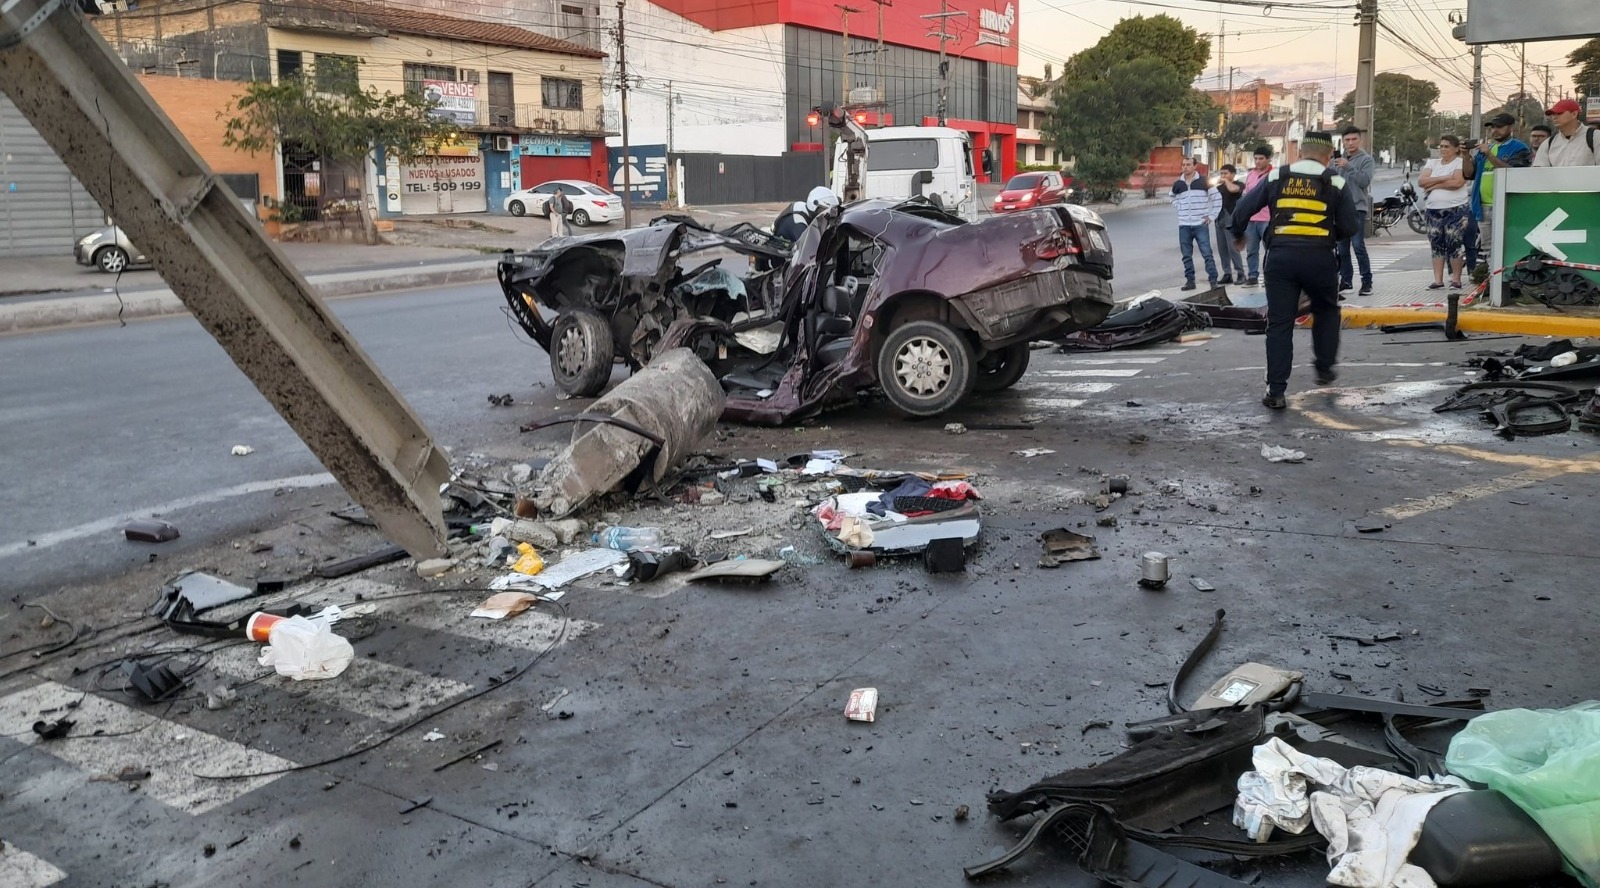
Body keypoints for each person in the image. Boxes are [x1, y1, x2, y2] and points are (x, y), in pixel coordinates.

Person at [1230, 131, 1358, 410]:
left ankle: (1276, 391)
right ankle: (1324, 369)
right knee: (1326, 310)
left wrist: (1238, 234)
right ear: (1328, 157)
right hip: (1319, 260)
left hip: (1281, 259)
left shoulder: (1277, 176)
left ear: (1301, 152)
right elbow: (1350, 227)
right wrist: (1325, 235)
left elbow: (1243, 209)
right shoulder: (1335, 180)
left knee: (1279, 323)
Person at [1467, 113, 1531, 273]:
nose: (1494, 131)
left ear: (1510, 128)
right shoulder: (1486, 148)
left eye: (1499, 127)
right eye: (1492, 128)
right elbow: (1469, 174)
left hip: (1505, 205)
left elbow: (1513, 172)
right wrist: (1464, 156)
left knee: (1506, 246)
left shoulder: (1519, 147)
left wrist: (1489, 155)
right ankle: (1492, 281)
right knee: (1488, 249)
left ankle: (1509, 282)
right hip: (1482, 206)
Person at [1419, 135, 1473, 290]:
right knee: (1436, 244)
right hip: (1433, 210)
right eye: (1441, 146)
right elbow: (1422, 181)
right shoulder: (1433, 162)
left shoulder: (1460, 163)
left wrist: (1434, 184)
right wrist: (1445, 177)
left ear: (1456, 148)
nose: (1443, 149)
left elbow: (1457, 182)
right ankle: (1438, 280)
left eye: (1447, 146)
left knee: (1453, 243)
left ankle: (1456, 279)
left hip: (1455, 209)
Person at [1333, 126, 1376, 297]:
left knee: (1358, 246)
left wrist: (1349, 167)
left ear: (1360, 140)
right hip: (1338, 210)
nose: (1350, 143)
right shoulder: (1336, 160)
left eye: (1354, 139)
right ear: (1343, 141)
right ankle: (1346, 281)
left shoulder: (1366, 160)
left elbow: (1364, 181)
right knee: (1342, 248)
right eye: (1347, 140)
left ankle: (1367, 282)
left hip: (1357, 207)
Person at [1171, 156, 1221, 291]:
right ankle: (1190, 281)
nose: (1185, 167)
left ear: (1194, 166)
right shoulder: (1178, 184)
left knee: (1207, 253)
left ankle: (1213, 280)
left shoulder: (1204, 181)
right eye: (1183, 165)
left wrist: (1211, 216)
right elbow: (1172, 197)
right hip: (1184, 225)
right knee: (1186, 255)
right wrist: (1179, 206)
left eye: (1188, 164)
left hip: (1200, 224)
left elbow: (1217, 198)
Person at [1240, 145, 1274, 286]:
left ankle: (1270, 277)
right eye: (1255, 159)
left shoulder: (1274, 174)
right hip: (1252, 220)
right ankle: (1252, 276)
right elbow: (1247, 196)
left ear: (1268, 159)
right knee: (1251, 250)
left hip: (1267, 219)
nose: (1258, 161)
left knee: (1270, 250)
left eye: (1261, 159)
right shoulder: (1251, 175)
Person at [1531, 98, 1600, 167]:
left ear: (1574, 114)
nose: (1554, 117)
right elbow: (1539, 173)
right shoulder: (1548, 143)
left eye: (1559, 113)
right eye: (1553, 114)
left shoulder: (1595, 137)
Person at [1213, 164, 1246, 285]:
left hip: (1231, 219)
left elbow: (1233, 190)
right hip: (1219, 218)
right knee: (1222, 249)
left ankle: (1241, 273)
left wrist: (1226, 181)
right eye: (1221, 174)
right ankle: (1227, 273)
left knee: (1233, 248)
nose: (1223, 176)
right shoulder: (1219, 188)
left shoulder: (1239, 184)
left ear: (1233, 174)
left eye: (1225, 173)